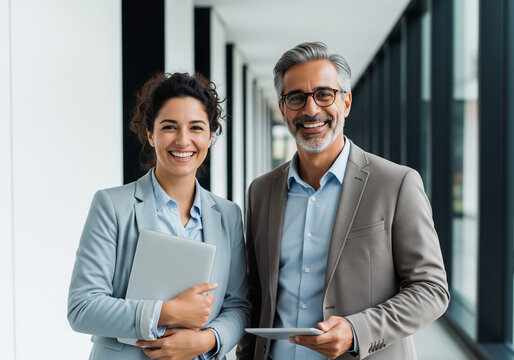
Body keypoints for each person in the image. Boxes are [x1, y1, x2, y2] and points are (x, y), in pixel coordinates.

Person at [236, 42, 450, 360]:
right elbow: (255, 296)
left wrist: (355, 331)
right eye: (296, 98)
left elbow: (431, 290)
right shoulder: (261, 191)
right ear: (282, 110)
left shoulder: (396, 183)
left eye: (324, 94)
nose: (311, 110)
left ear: (346, 102)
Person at [68, 72, 250, 360]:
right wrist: (167, 312)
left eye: (196, 128)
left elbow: (239, 306)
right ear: (150, 134)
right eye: (169, 127)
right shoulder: (112, 206)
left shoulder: (228, 215)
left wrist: (207, 340)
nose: (183, 140)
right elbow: (82, 307)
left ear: (211, 135)